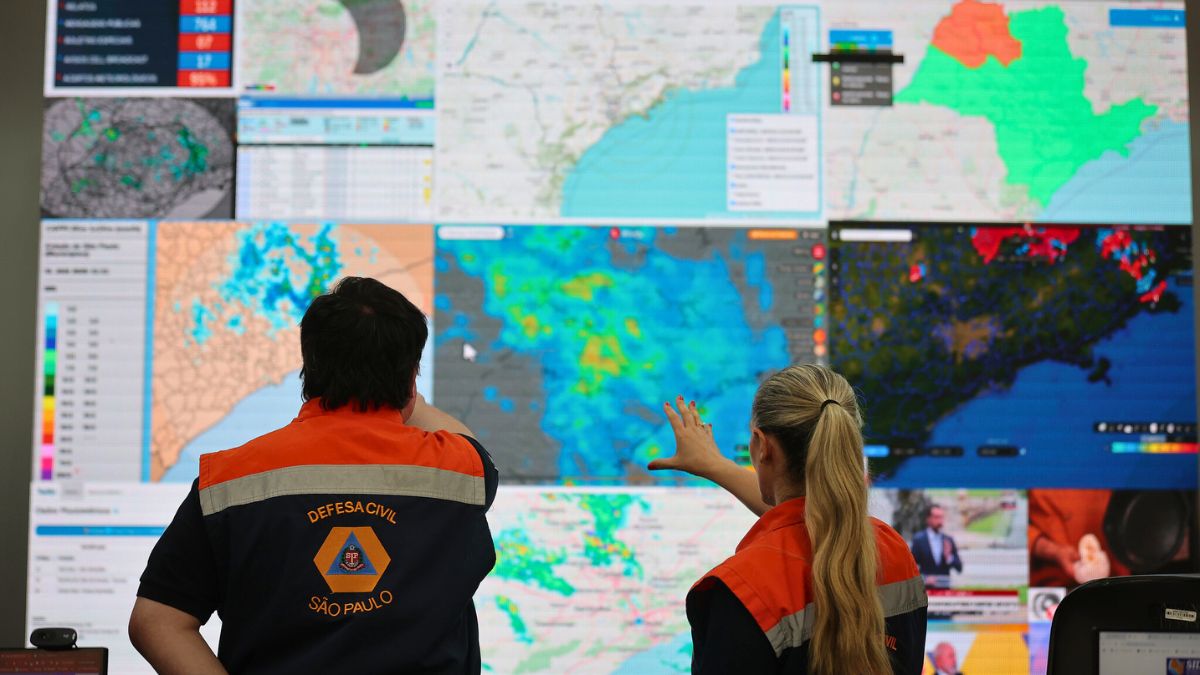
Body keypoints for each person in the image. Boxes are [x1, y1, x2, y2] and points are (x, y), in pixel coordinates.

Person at [128, 277, 498, 674]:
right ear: (411, 378)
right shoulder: (462, 472)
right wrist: (403, 386)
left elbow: (157, 621)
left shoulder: (227, 480)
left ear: (309, 364)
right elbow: (465, 441)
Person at [648, 364, 928, 674]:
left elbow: (797, 527)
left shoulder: (742, 590)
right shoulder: (894, 552)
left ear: (762, 445)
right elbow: (810, 516)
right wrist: (715, 465)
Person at [910, 504, 963, 583]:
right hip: (925, 590)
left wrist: (949, 557)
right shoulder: (919, 540)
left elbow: (959, 568)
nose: (940, 521)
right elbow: (911, 567)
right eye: (936, 517)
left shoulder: (948, 540)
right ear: (928, 519)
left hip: (945, 589)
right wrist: (924, 579)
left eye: (941, 517)